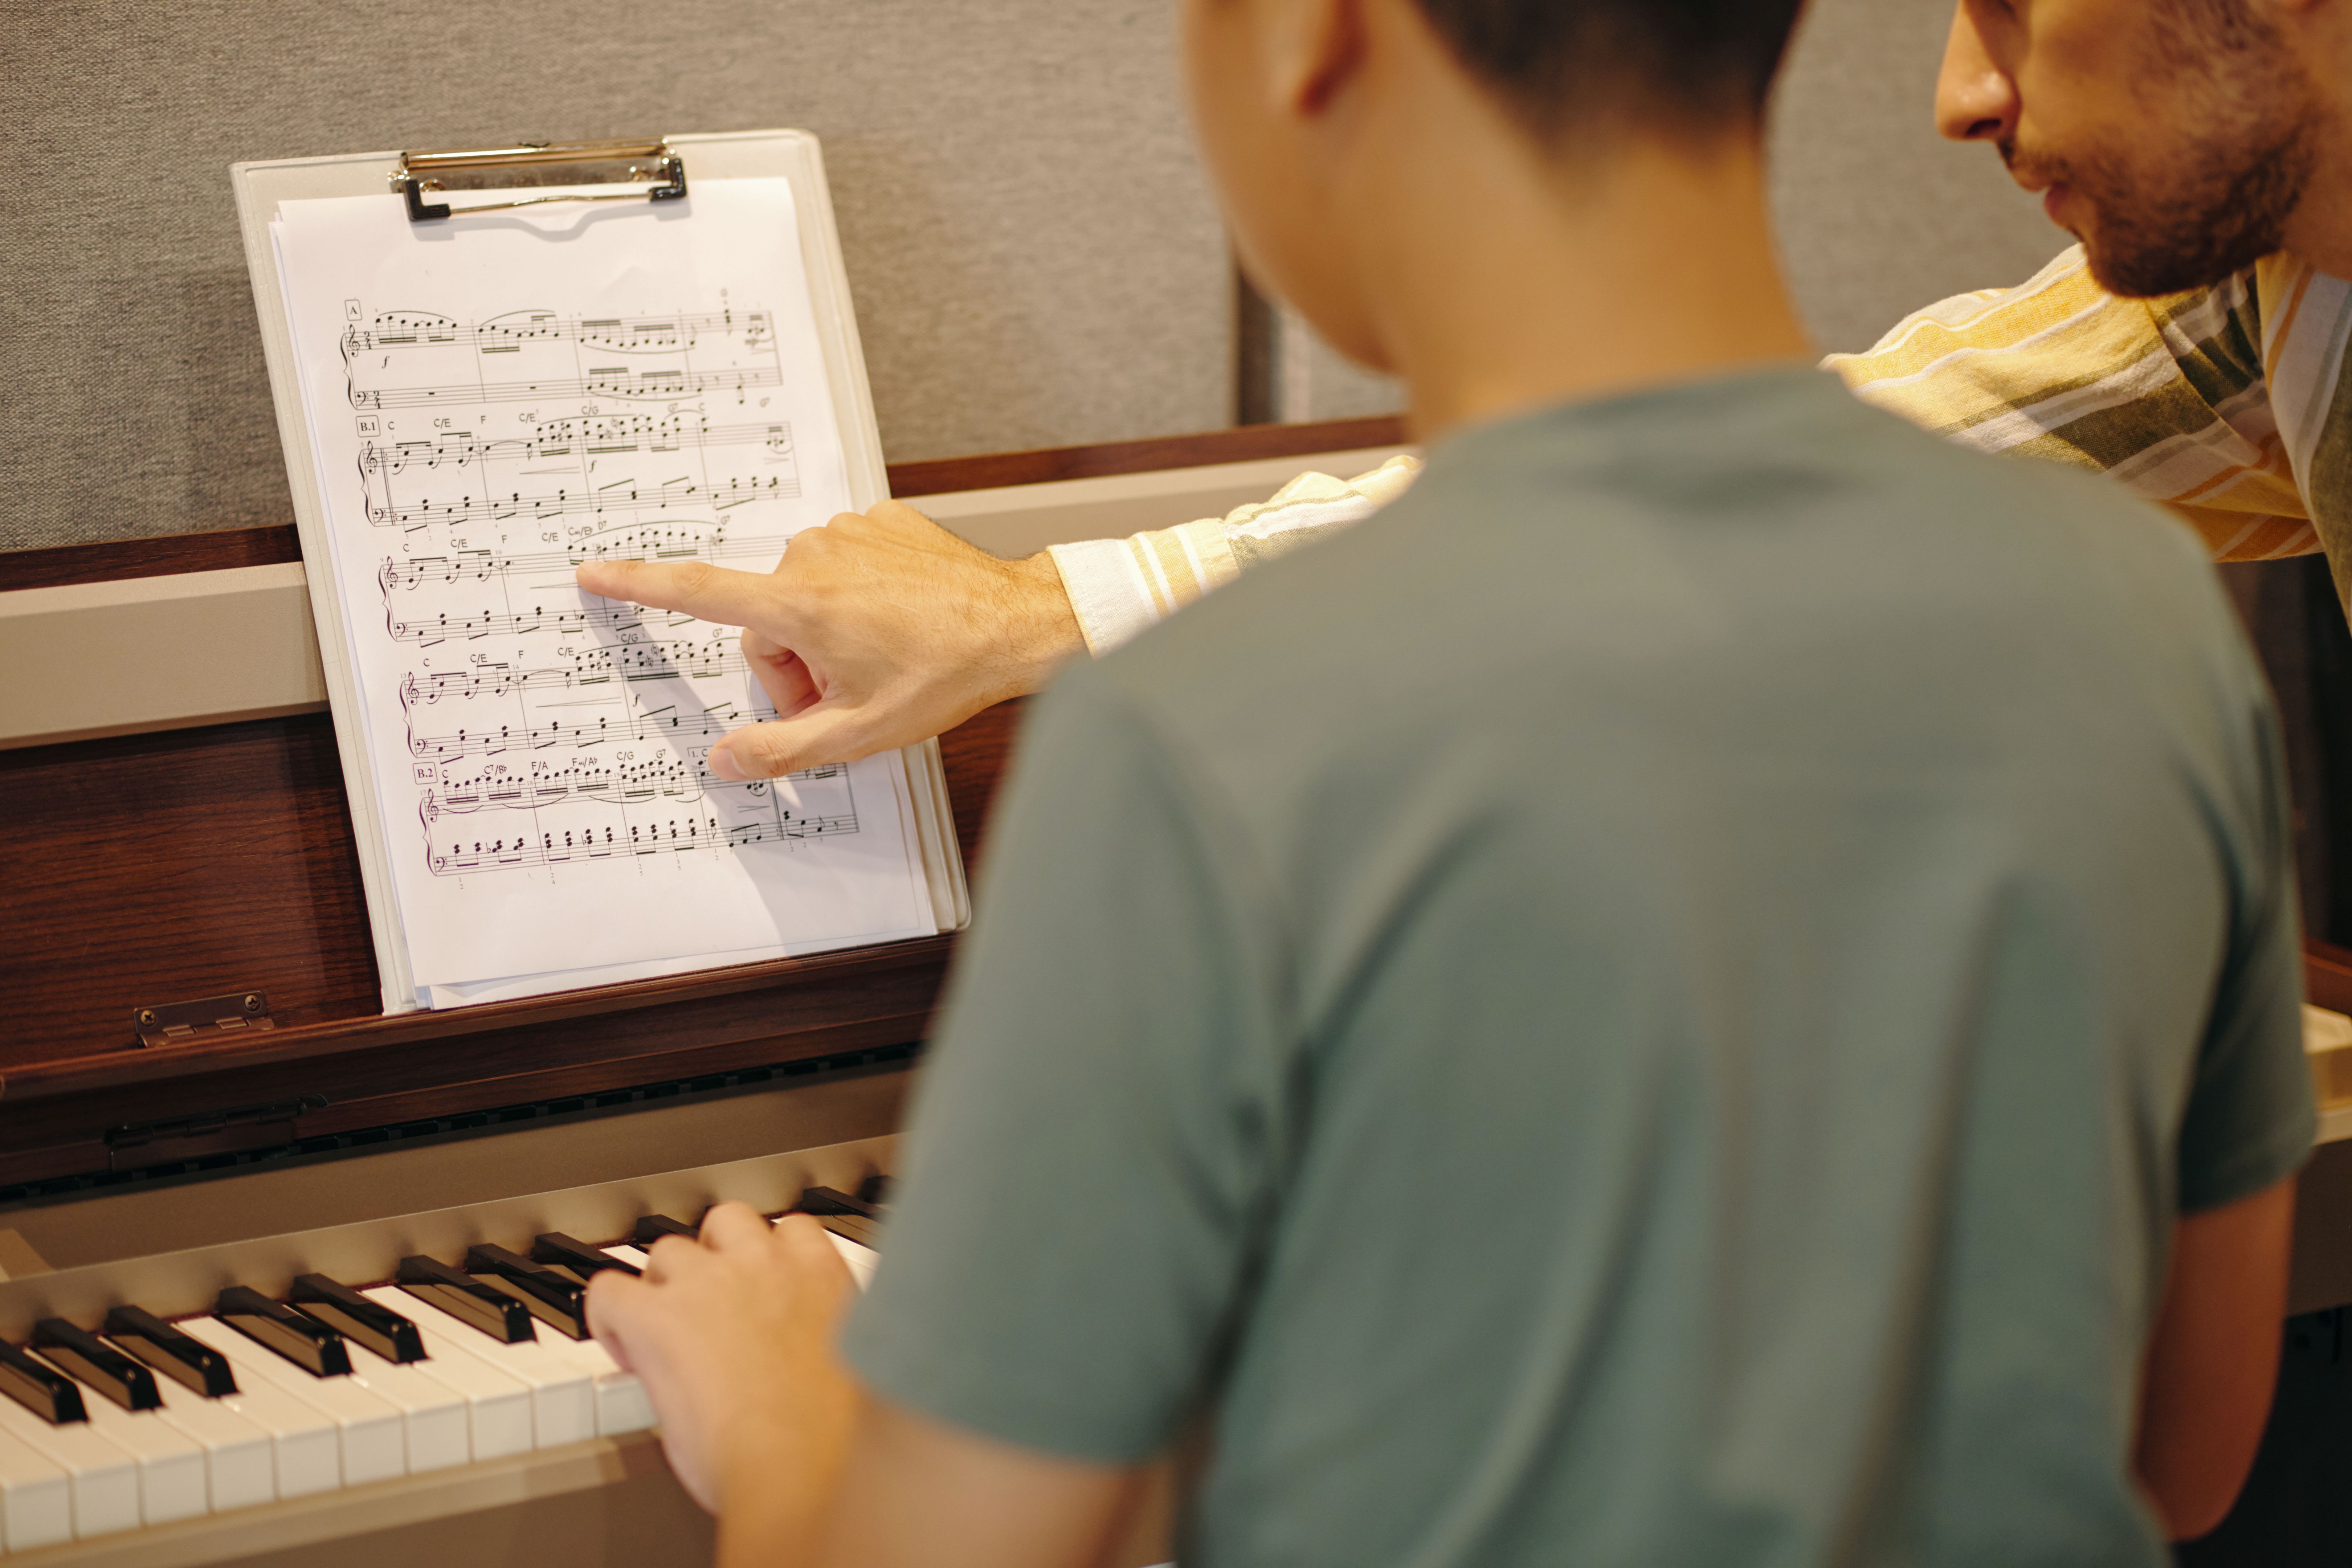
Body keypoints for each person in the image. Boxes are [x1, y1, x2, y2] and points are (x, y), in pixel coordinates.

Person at [581, 0, 2315, 1564]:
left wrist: (790, 1427)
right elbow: (2179, 1458)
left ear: (1308, 40)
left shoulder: (1204, 738)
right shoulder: (2151, 622)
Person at [576, 0, 2352, 787]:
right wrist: (1045, 607)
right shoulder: (2261, 317)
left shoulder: (1187, 800)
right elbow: (1769, 479)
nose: (1960, 95)